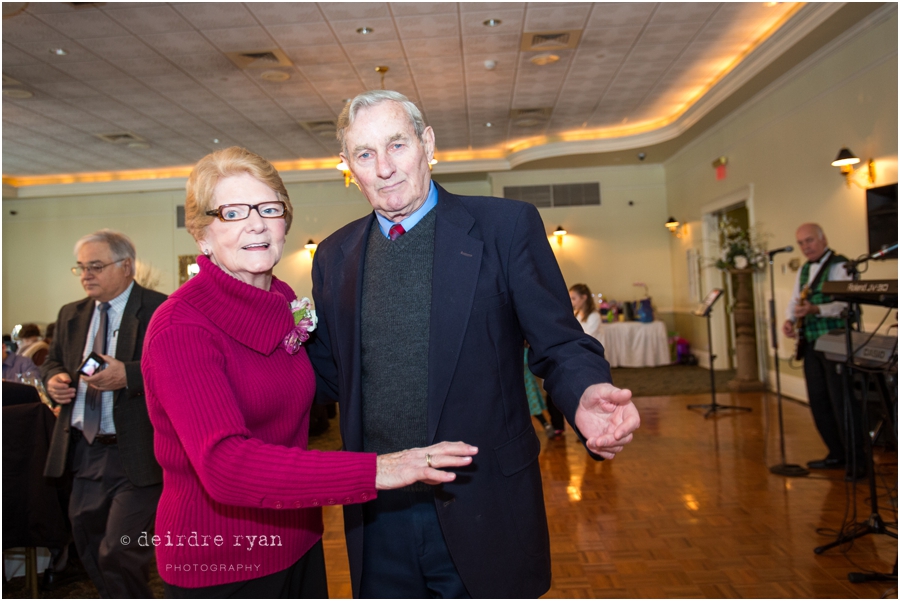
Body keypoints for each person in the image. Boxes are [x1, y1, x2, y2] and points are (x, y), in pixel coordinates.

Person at [307, 90, 640, 598]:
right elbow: (328, 375)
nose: (385, 168)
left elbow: (560, 344)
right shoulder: (334, 256)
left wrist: (585, 393)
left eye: (397, 145)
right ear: (348, 166)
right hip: (379, 514)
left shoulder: (505, 227)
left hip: (484, 502)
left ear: (428, 144)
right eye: (365, 154)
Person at [141, 147, 477, 598]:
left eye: (269, 208)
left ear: (285, 222)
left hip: (297, 540)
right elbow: (226, 465)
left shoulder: (283, 301)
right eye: (233, 212)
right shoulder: (181, 325)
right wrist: (378, 469)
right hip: (219, 562)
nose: (256, 224)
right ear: (201, 233)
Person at [41, 229, 167, 598]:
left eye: (95, 266)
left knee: (121, 548)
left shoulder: (160, 309)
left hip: (137, 451)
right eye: (80, 268)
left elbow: (180, 369)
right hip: (84, 451)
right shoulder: (71, 314)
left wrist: (127, 374)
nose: (86, 275)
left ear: (126, 266)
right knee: (88, 543)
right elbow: (51, 362)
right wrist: (54, 380)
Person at [781, 223, 864, 480]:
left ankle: (858, 460)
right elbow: (796, 299)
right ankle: (836, 453)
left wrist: (817, 310)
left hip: (836, 340)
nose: (806, 247)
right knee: (819, 401)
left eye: (810, 241)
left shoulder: (841, 266)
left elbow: (845, 305)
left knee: (841, 401)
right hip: (811, 343)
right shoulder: (805, 269)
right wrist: (789, 320)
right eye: (802, 243)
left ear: (823, 239)